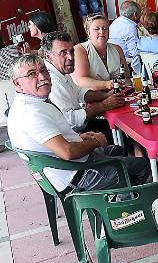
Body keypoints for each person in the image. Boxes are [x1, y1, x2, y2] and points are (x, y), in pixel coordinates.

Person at [7, 54, 150, 193]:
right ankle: (124, 207)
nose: (43, 77)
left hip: (68, 168)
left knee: (118, 149)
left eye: (44, 70)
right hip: (77, 175)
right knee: (144, 165)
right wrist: (95, 142)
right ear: (17, 83)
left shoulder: (31, 103)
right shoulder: (31, 113)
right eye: (32, 74)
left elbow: (55, 139)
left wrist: (80, 137)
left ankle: (120, 193)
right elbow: (67, 152)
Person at [42, 32, 124, 133]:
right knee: (120, 131)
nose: (71, 57)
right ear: (48, 56)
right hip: (74, 135)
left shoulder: (60, 69)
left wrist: (106, 95)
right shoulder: (51, 80)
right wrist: (104, 105)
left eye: (71, 51)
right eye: (63, 53)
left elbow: (79, 92)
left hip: (81, 126)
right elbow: (71, 120)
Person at [72, 14, 130, 91]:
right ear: (88, 32)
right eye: (96, 29)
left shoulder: (117, 49)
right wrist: (107, 84)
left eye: (105, 28)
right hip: (94, 97)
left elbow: (127, 77)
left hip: (120, 94)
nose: (102, 32)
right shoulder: (80, 50)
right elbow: (81, 80)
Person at [108, 0, 142, 74]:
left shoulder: (117, 21)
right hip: (124, 62)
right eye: (140, 12)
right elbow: (134, 53)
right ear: (134, 14)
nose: (141, 14)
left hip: (112, 58)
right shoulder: (130, 27)